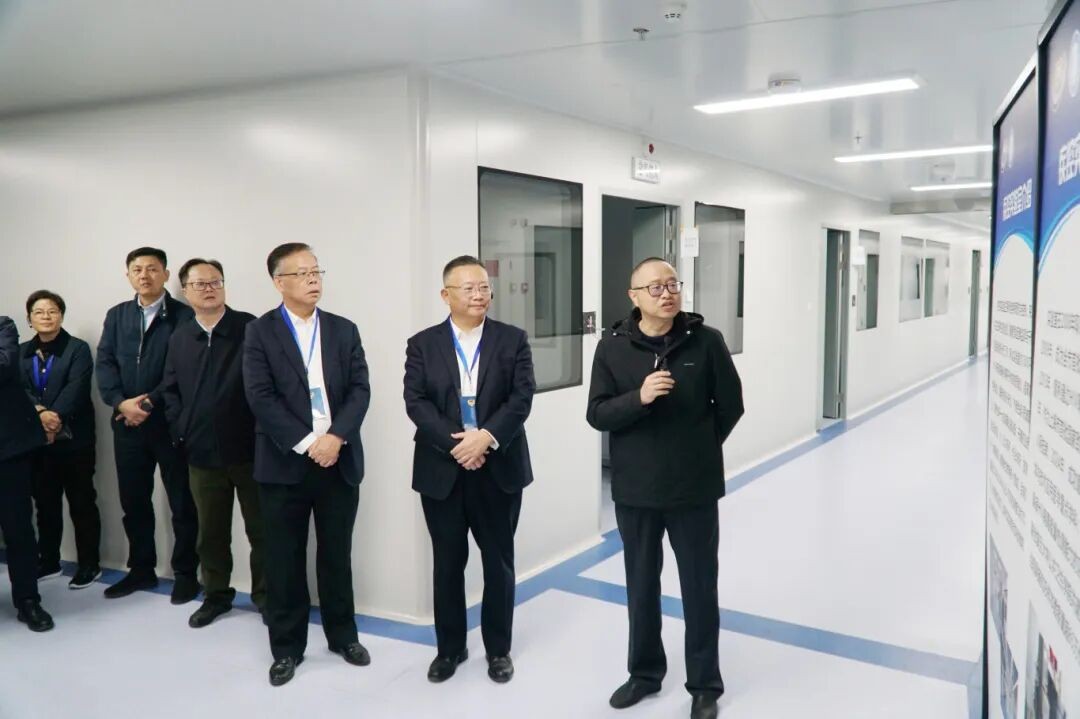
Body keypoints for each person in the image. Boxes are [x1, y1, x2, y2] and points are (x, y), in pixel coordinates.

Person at [586, 258, 744, 719]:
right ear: (633, 296)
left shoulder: (707, 341)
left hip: (693, 490)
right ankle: (644, 674)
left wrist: (699, 448)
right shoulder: (612, 348)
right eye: (655, 287)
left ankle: (705, 685)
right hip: (636, 491)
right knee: (640, 587)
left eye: (673, 284)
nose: (667, 293)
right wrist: (639, 398)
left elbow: (731, 406)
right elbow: (597, 413)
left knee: (699, 587)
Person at [243, 243, 371, 687]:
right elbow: (260, 396)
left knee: (337, 555)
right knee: (283, 560)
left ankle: (343, 636)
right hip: (284, 464)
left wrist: (335, 438)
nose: (313, 279)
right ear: (279, 282)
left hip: (338, 459)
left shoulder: (343, 329)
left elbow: (360, 390)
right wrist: (307, 443)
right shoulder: (259, 332)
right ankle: (286, 649)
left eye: (317, 271)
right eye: (302, 273)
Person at [404, 255, 536, 685]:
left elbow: (521, 397)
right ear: (446, 295)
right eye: (469, 288)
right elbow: (416, 402)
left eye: (484, 287)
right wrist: (459, 445)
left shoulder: (512, 340)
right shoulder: (422, 344)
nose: (480, 295)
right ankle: (450, 648)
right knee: (447, 563)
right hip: (442, 470)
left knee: (498, 562)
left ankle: (498, 650)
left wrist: (486, 437)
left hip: (499, 467)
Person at [161, 259, 265, 629]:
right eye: (200, 284)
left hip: (251, 452)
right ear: (185, 291)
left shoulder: (250, 328)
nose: (209, 289)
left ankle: (268, 597)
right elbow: (170, 390)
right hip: (202, 453)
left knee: (263, 531)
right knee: (210, 533)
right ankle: (217, 595)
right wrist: (182, 429)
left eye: (215, 282)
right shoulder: (180, 337)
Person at [96, 247, 201, 603]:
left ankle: (186, 574)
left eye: (153, 269)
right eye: (137, 269)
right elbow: (105, 362)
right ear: (128, 275)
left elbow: (181, 370)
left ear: (166, 274)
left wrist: (148, 402)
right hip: (126, 423)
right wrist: (120, 402)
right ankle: (141, 569)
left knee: (182, 503)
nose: (145, 275)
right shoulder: (117, 315)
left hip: (169, 423)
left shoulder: (184, 316)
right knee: (134, 501)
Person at [19, 290, 102, 589]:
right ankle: (49, 561)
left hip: (75, 440)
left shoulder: (77, 349)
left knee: (82, 502)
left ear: (61, 316)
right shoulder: (20, 352)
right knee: (45, 503)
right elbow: (19, 389)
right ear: (29, 319)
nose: (46, 316)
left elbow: (76, 388)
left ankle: (89, 565)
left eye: (52, 311)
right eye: (39, 312)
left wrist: (54, 418)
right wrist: (41, 413)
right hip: (37, 441)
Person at [0, 315, 54, 632]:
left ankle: (28, 601)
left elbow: (5, 365)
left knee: (18, 528)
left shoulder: (3, 326)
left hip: (8, 450)